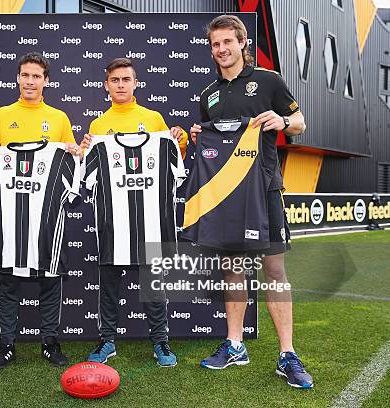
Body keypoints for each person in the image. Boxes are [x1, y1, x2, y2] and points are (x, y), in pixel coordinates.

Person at [189, 15, 313, 389]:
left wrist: (281, 120)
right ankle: (234, 343)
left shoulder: (268, 80)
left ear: (242, 43)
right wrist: (199, 137)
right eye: (215, 44)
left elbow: (301, 123)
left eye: (228, 42)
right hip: (226, 194)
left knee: (274, 270)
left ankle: (287, 354)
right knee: (233, 268)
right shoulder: (208, 93)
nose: (222, 49)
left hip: (265, 188)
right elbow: (212, 148)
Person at [0, 52, 81, 370]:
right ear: (17, 78)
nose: (30, 81)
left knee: (50, 277)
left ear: (46, 80)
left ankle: (50, 341)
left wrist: (75, 150)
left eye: (36, 76)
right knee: (7, 280)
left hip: (47, 222)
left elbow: (71, 159)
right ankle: (5, 343)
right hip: (8, 223)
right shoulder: (1, 115)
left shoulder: (59, 118)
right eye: (25, 75)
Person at [81, 58, 187, 367]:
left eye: (126, 79)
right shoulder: (98, 127)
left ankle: (161, 343)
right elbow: (88, 170)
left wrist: (178, 141)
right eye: (115, 80)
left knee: (154, 284)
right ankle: (107, 342)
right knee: (109, 286)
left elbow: (175, 161)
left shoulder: (154, 119)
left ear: (135, 82)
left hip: (150, 223)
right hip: (114, 223)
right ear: (106, 85)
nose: (121, 85)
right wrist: (86, 147)